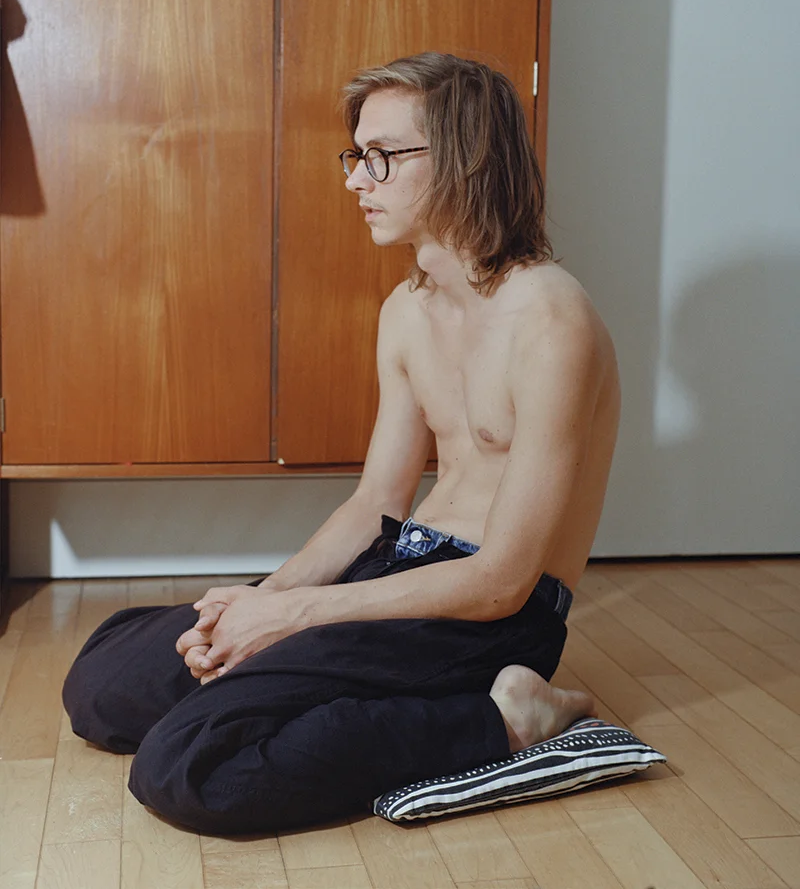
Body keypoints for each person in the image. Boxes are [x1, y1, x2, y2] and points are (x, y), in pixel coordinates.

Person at [62, 52, 620, 835]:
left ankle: (503, 718)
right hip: (396, 573)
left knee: (186, 766)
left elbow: (501, 581)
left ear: (465, 158)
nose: (357, 179)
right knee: (104, 678)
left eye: (381, 156)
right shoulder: (407, 310)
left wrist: (296, 617)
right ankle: (308, 686)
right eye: (355, 156)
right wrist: (265, 600)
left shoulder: (554, 323)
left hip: (486, 619)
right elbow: (374, 505)